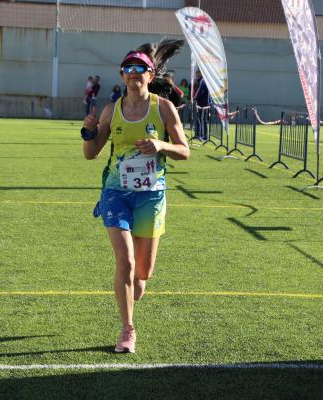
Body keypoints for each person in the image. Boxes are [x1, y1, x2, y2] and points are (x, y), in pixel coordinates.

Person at [81, 39, 189, 353]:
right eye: (128, 68)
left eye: (139, 68)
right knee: (125, 263)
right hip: (116, 192)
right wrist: (88, 133)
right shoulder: (111, 110)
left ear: (150, 73)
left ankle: (135, 288)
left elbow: (184, 151)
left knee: (143, 274)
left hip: (151, 195)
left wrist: (161, 146)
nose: (133, 73)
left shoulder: (163, 107)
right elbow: (91, 153)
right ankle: (128, 329)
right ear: (122, 75)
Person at [194, 70, 210, 140]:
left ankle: (203, 136)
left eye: (198, 73)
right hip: (201, 102)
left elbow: (200, 91)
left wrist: (195, 98)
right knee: (200, 119)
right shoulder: (198, 81)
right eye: (196, 73)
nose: (197, 74)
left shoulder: (202, 80)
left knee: (202, 119)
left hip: (203, 103)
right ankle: (199, 134)